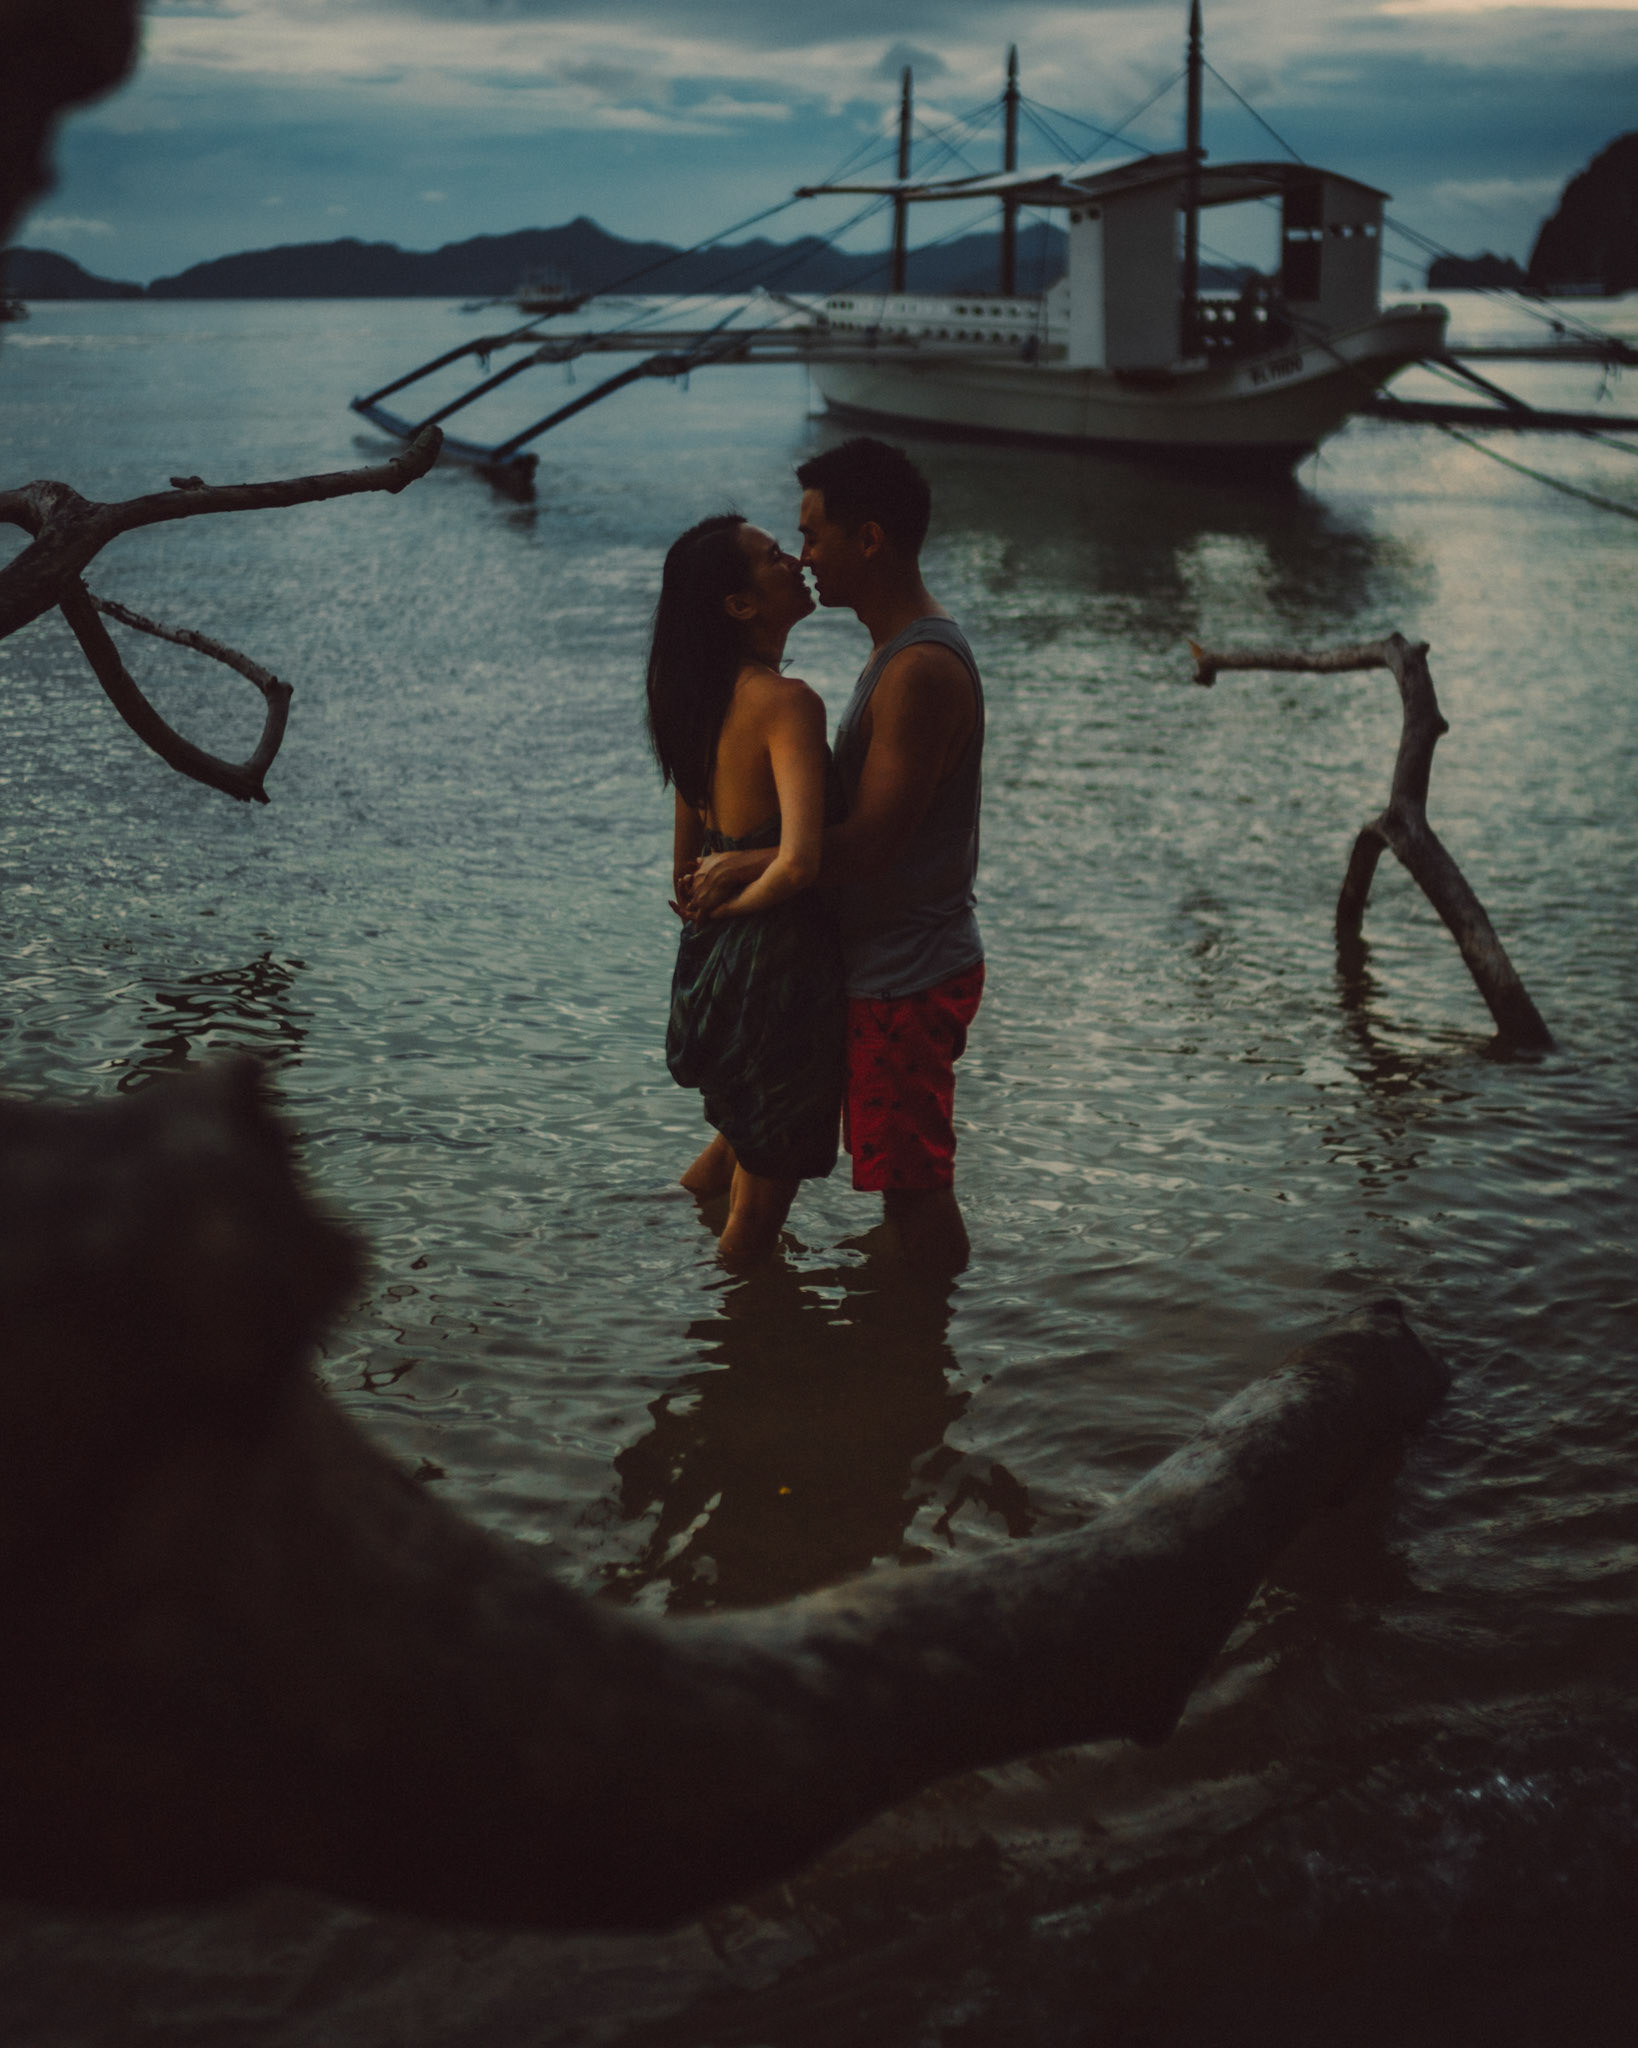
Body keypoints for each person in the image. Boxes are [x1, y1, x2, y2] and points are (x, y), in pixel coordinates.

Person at [689, 440, 984, 1275]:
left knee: (912, 1186)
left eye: (813, 537)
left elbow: (875, 845)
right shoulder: (893, 657)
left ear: (870, 540)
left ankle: (918, 1360)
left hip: (907, 970)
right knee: (757, 1141)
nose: (803, 557)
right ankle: (867, 1342)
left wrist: (747, 866)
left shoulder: (920, 669)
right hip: (878, 964)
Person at [646, 512, 844, 1271]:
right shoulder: (786, 701)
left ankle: (649, 1226)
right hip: (782, 964)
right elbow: (798, 864)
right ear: (740, 605)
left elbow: (684, 859)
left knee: (744, 1135)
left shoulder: (690, 696)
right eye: (772, 558)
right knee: (757, 1227)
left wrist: (711, 903)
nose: (794, 560)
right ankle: (733, 1368)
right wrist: (741, 898)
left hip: (712, 953)